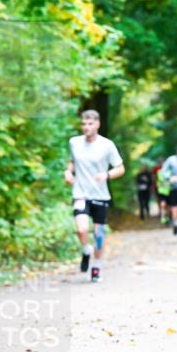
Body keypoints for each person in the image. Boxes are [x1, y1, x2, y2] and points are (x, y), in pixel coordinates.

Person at [64, 110, 125, 282]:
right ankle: (85, 250)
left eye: (90, 124)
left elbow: (120, 168)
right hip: (80, 193)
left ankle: (96, 266)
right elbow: (72, 162)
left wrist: (106, 175)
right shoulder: (74, 143)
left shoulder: (107, 145)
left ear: (97, 124)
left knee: (99, 235)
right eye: (83, 124)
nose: (86, 127)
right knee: (81, 229)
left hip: (100, 195)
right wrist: (68, 173)